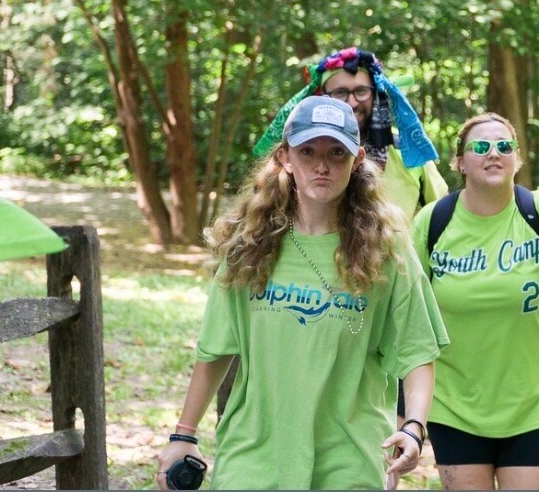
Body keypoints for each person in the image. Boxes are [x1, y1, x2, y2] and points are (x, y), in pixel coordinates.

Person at [156, 96, 449, 490]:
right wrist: (184, 434)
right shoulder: (250, 245)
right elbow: (215, 349)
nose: (321, 165)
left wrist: (413, 428)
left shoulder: (388, 249)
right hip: (255, 458)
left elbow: (417, 351)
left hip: (349, 460)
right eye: (307, 151)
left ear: (358, 159)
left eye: (336, 152)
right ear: (285, 158)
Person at [409, 112, 539, 490]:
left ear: (517, 158)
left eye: (504, 146)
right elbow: (409, 310)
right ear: (460, 162)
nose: (494, 153)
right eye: (481, 146)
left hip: (532, 403)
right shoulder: (433, 221)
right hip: (454, 404)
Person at [255, 46, 448, 222]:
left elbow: (442, 212)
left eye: (361, 91)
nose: (352, 103)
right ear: (322, 96)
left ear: (375, 93)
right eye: (340, 93)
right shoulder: (299, 154)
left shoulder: (407, 148)